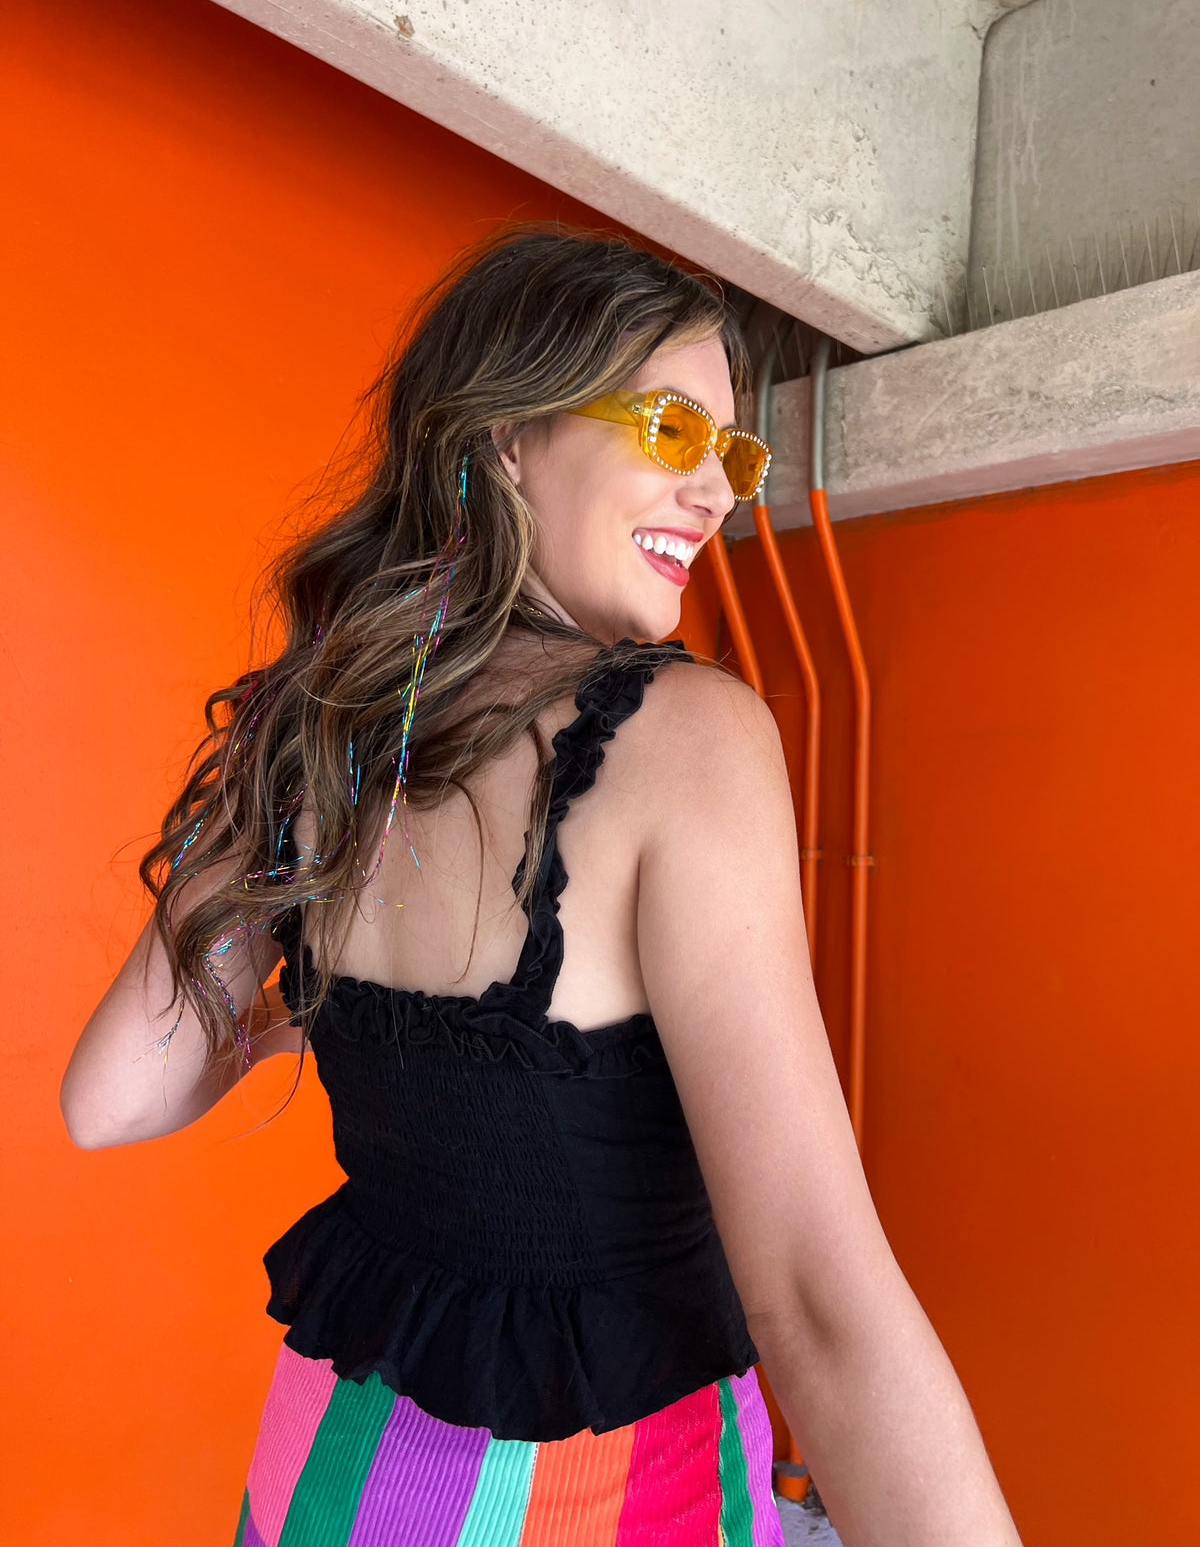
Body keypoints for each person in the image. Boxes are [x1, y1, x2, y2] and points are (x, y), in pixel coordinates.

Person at [60, 227, 1023, 1546]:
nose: (717, 493)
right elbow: (814, 1296)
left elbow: (112, 1098)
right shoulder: (688, 740)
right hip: (607, 1497)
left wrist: (330, 1011)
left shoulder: (321, 738)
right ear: (511, 437)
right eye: (673, 430)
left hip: (327, 1486)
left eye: (734, 455)